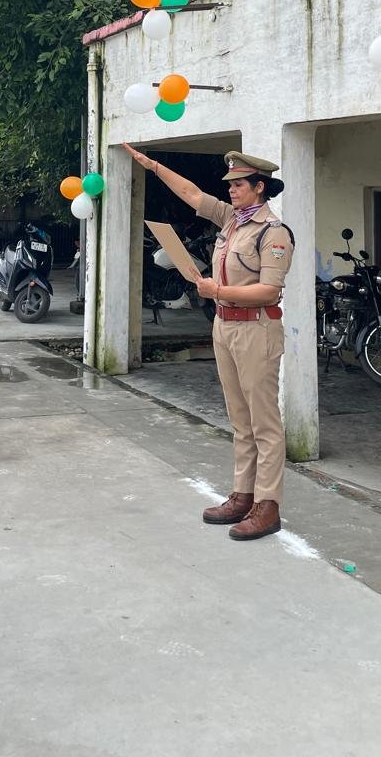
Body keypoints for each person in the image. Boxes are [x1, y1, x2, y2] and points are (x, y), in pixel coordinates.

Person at [123, 144, 294, 541]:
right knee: (240, 419)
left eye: (239, 184)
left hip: (256, 329)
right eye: (229, 184)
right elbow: (193, 194)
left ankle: (268, 506)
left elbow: (269, 290)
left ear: (259, 187)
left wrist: (216, 290)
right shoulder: (231, 220)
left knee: (264, 422)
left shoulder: (273, 232)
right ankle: (243, 494)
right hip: (225, 326)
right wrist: (153, 166)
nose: (231, 189)